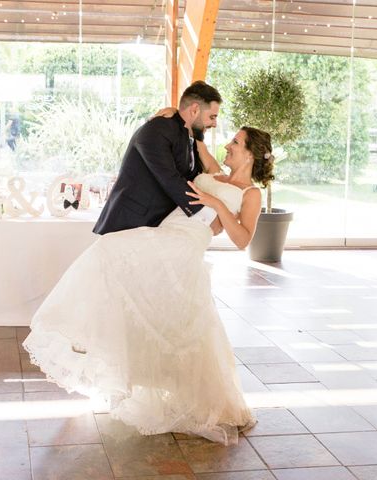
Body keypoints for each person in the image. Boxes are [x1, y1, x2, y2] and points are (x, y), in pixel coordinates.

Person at [23, 122, 276, 445]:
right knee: (133, 283)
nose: (228, 145)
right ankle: (85, 335)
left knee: (113, 255)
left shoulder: (250, 193)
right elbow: (193, 131)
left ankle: (88, 336)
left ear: (251, 153)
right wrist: (170, 116)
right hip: (164, 231)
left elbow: (242, 240)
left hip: (184, 246)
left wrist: (218, 206)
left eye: (236, 142)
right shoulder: (212, 171)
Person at [93, 80, 222, 235]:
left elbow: (192, 178)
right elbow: (170, 179)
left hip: (154, 229)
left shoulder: (189, 137)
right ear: (195, 109)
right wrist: (206, 216)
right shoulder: (157, 128)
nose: (214, 124)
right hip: (127, 226)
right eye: (212, 117)